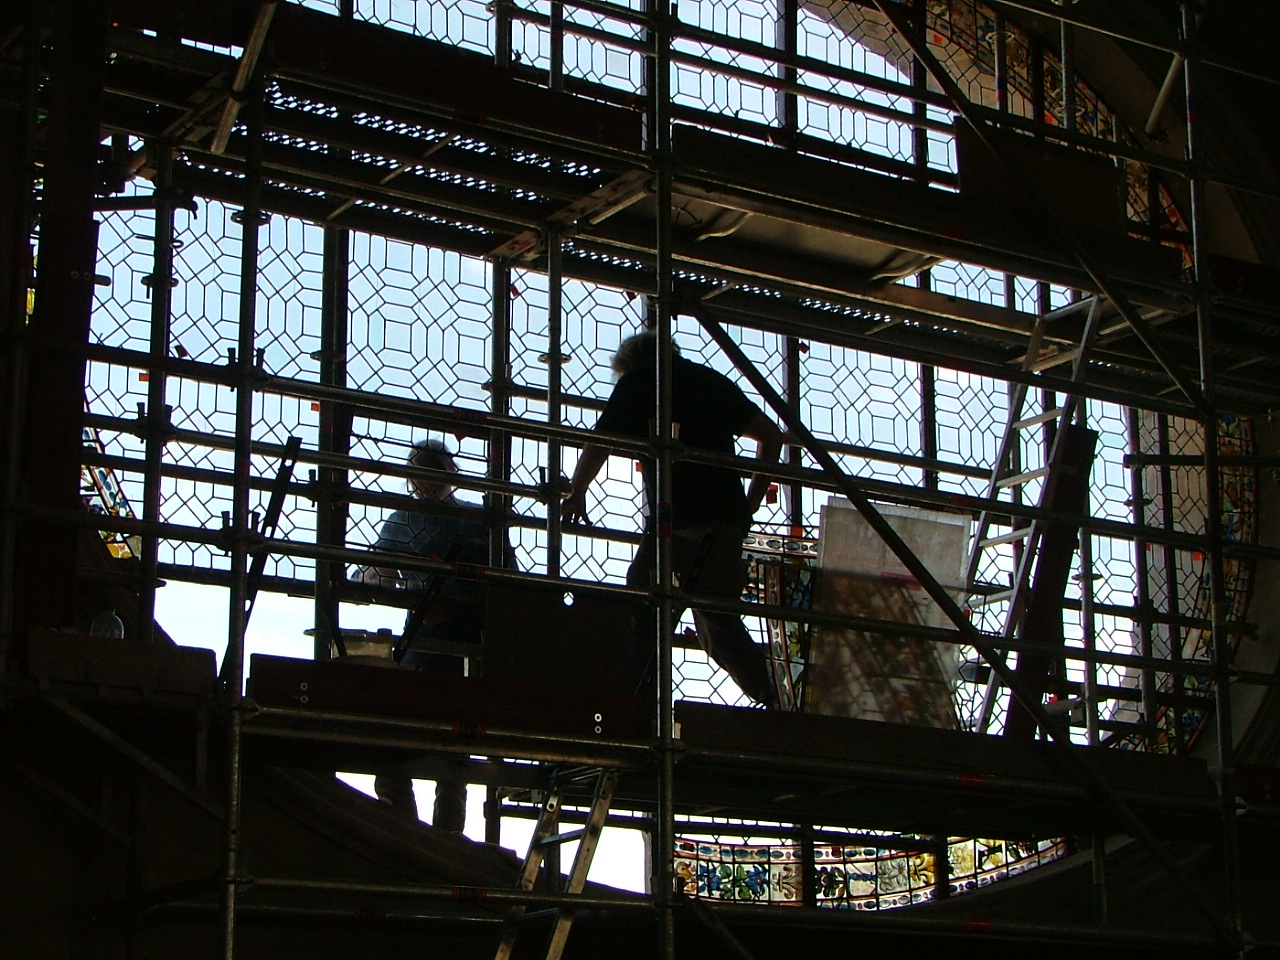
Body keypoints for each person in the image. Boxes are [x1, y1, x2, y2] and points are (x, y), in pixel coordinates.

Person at [560, 331, 784, 707]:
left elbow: (600, 441)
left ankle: (637, 709)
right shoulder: (708, 380)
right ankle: (776, 701)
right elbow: (770, 436)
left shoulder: (641, 381)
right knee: (717, 623)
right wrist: (749, 504)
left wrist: (577, 488)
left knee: (644, 609)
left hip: (676, 520)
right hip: (724, 521)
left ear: (629, 364)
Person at [355, 438, 492, 832]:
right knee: (417, 741)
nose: (427, 479)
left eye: (434, 469)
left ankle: (428, 836)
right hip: (425, 636)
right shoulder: (403, 521)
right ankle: (414, 831)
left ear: (451, 474)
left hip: (458, 639)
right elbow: (379, 570)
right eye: (421, 470)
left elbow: (501, 580)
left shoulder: (473, 518)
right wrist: (365, 579)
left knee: (450, 752)